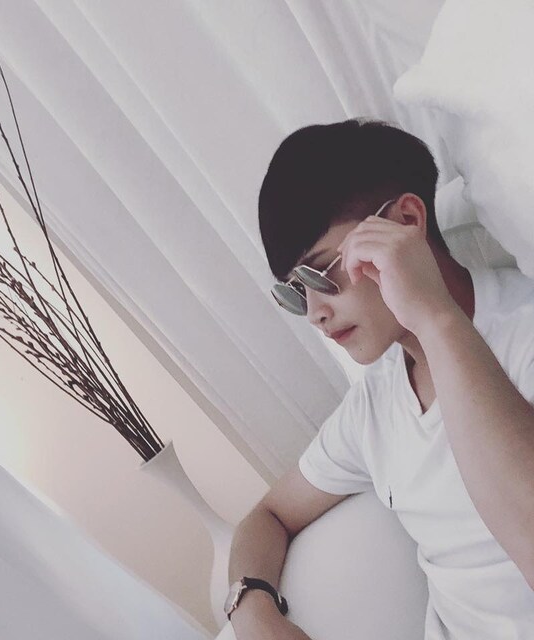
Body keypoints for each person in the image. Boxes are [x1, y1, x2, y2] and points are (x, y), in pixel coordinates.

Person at [225, 119, 534, 639]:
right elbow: (269, 515)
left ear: (406, 222)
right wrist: (252, 610)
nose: (315, 313)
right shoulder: (375, 404)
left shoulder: (523, 334)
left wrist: (434, 316)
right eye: (295, 293)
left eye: (321, 274)